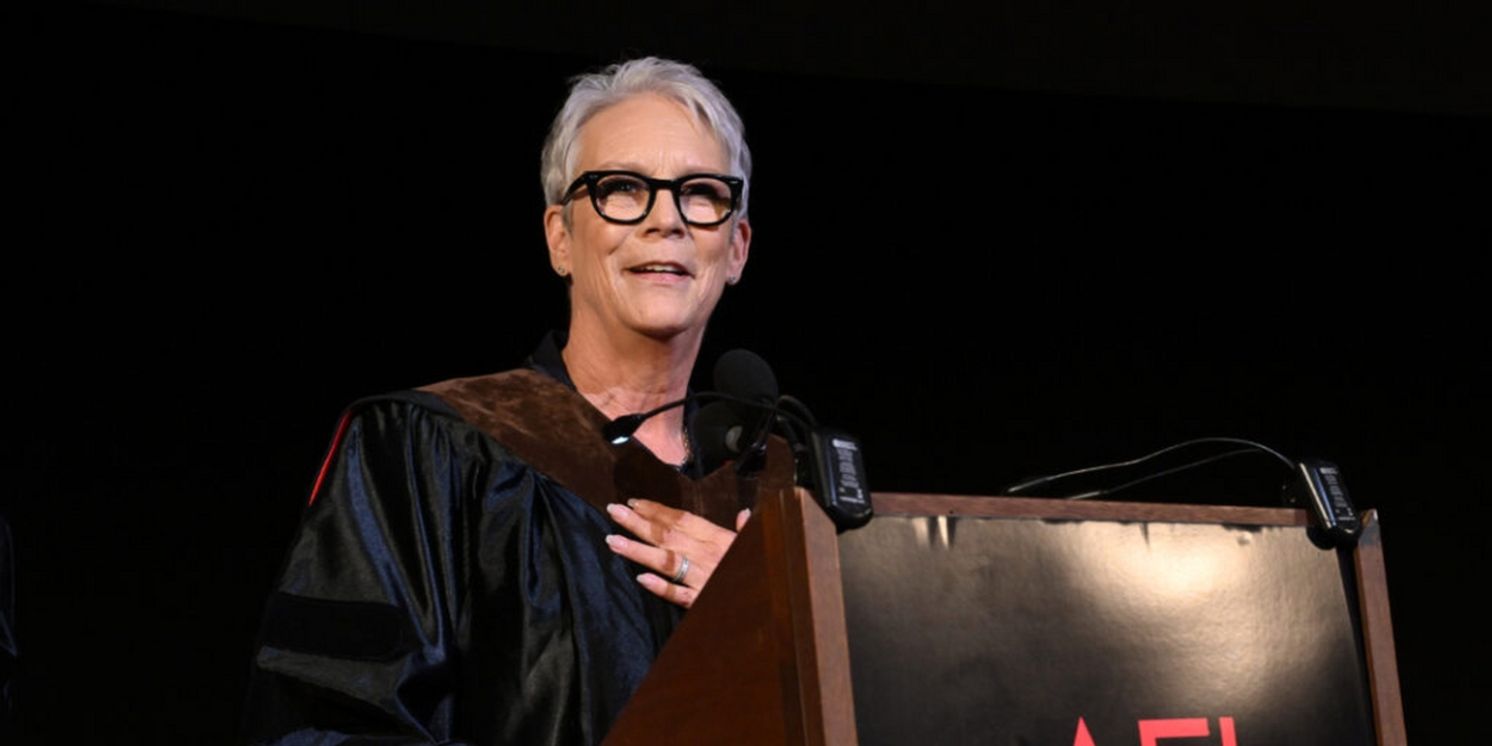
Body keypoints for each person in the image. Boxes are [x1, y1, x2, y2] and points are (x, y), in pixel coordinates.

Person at [243, 57, 792, 745]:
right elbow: (326, 728)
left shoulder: (783, 500)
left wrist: (782, 621)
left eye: (702, 193)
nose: (666, 220)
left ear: (736, 246)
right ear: (560, 236)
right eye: (622, 188)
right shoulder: (431, 451)